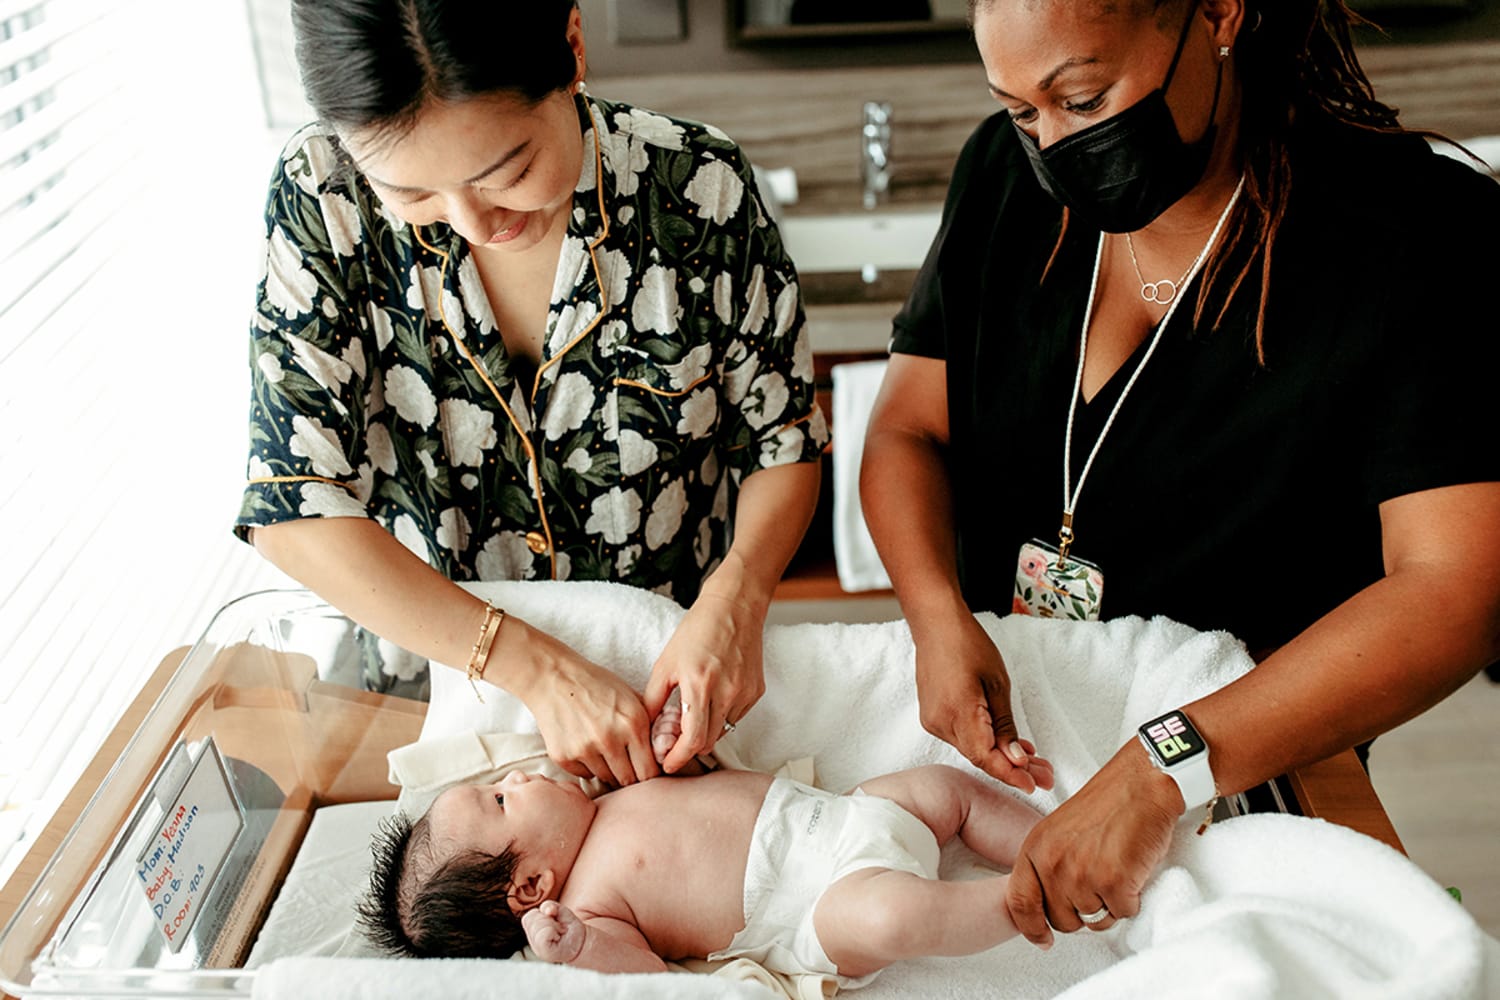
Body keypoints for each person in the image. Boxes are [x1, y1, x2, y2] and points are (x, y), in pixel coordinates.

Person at [860, 0, 1500, 950]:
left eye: (1082, 97)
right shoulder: (1001, 180)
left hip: (1236, 779)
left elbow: (1456, 588)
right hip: (1015, 756)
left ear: (1221, 12)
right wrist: (935, 616)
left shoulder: (1413, 231)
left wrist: (1168, 765)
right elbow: (908, 431)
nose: (1052, 145)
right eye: (1020, 110)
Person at [234, 1, 828, 785]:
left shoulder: (697, 186)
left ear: (572, 45)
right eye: (411, 195)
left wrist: (741, 596)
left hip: (665, 700)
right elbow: (293, 506)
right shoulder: (325, 195)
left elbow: (781, 439)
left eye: (507, 171)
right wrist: (531, 668)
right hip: (438, 705)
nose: (472, 222)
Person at [356, 708, 1042, 987]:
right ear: (532, 886)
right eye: (501, 800)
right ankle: (1031, 899)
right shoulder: (589, 909)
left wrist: (673, 744)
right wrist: (576, 949)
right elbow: (649, 981)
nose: (516, 776)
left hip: (849, 813)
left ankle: (1053, 845)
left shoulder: (609, 793)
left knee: (946, 788)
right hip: (819, 906)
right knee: (894, 918)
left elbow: (702, 771)